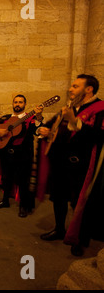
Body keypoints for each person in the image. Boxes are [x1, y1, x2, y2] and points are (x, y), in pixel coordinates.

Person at [38, 74, 104, 256]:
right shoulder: (69, 108)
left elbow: (99, 136)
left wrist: (75, 121)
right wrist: (44, 130)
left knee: (79, 203)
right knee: (58, 198)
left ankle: (80, 239)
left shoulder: (100, 108)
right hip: (60, 162)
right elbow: (51, 127)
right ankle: (59, 229)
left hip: (81, 165)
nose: (70, 89)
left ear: (88, 89)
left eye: (75, 86)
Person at [0, 94, 43, 217]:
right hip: (6, 153)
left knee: (23, 181)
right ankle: (5, 200)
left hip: (23, 155)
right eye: (16, 102)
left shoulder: (31, 119)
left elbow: (38, 131)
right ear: (13, 104)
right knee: (6, 178)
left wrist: (39, 116)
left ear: (25, 104)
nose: (17, 104)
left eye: (20, 102)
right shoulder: (6, 119)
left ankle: (24, 206)